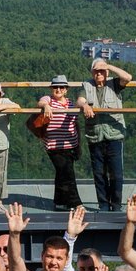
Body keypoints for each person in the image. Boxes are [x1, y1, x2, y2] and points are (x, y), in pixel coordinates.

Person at [78, 58, 132, 212]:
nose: (99, 74)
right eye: (96, 71)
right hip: (95, 136)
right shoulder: (86, 85)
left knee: (116, 174)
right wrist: (85, 105)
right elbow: (80, 100)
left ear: (107, 72)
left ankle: (116, 205)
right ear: (92, 73)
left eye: (102, 71)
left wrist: (108, 66)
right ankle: (103, 206)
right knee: (99, 174)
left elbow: (128, 77)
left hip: (114, 135)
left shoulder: (114, 84)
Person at [37, 74, 85, 210]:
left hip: (70, 145)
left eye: (61, 87)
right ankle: (76, 203)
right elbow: (40, 102)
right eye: (55, 87)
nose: (58, 89)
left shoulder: (71, 104)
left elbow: (75, 125)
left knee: (62, 173)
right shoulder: (49, 100)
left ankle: (60, 202)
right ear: (51, 89)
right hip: (54, 146)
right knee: (68, 173)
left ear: (66, 90)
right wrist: (46, 106)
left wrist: (78, 145)